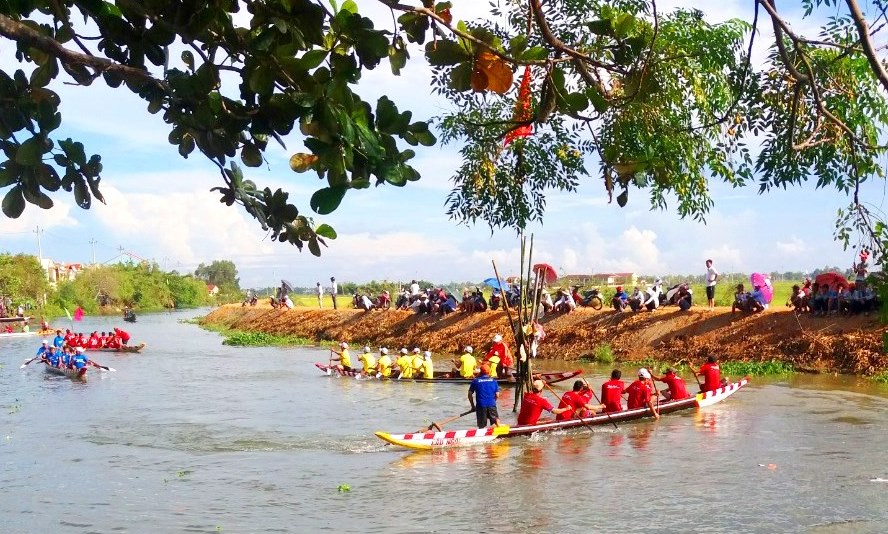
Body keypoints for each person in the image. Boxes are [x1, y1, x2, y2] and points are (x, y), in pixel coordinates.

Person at [468, 364, 500, 428]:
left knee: (481, 426)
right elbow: (497, 395)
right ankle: (500, 429)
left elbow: (469, 394)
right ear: (489, 371)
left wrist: (473, 406)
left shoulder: (475, 381)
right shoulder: (494, 381)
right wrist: (493, 401)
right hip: (491, 404)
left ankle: (481, 433)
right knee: (496, 419)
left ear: (480, 371)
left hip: (481, 405)